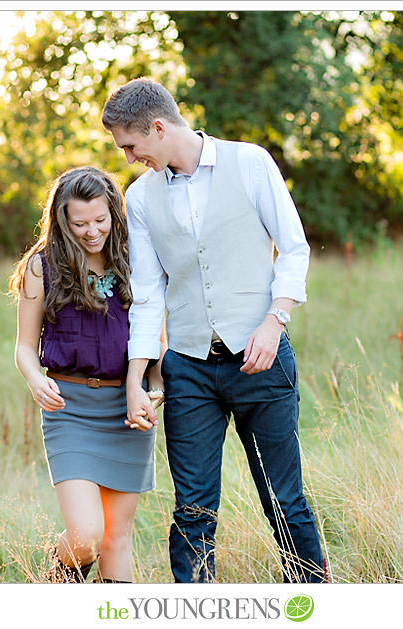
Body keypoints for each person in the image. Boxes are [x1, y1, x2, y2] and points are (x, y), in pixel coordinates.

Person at [101, 78, 327, 583]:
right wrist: (138, 377)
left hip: (262, 363)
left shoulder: (250, 163)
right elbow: (148, 290)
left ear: (158, 128)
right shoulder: (140, 197)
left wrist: (275, 321)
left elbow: (294, 248)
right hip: (188, 371)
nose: (130, 157)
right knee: (193, 510)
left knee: (283, 500)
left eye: (132, 146)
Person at [9, 166, 164, 583]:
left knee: (117, 538)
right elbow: (24, 347)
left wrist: (156, 388)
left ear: (115, 213)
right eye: (79, 223)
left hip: (127, 410)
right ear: (62, 220)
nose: (92, 231)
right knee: (84, 537)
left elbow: (155, 339)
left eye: (100, 220)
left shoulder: (136, 261)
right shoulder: (42, 267)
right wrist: (34, 378)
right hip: (70, 410)